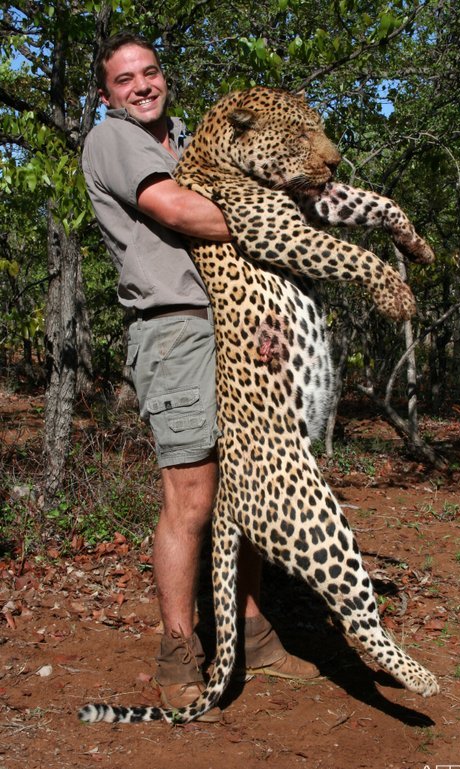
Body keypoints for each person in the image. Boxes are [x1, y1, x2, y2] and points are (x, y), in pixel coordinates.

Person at [82, 32, 319, 722]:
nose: (141, 86)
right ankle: (178, 651)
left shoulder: (192, 139)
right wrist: (278, 221)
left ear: (165, 77)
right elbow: (177, 210)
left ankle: (252, 630)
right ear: (107, 95)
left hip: (242, 320)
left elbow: (241, 226)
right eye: (124, 79)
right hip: (176, 329)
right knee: (191, 498)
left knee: (248, 489)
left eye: (149, 72)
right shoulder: (113, 141)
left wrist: (266, 312)